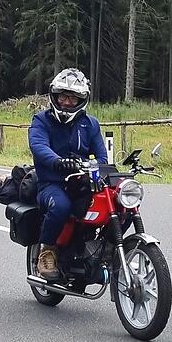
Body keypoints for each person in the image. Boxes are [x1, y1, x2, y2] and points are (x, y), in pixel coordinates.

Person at [28, 68, 108, 280]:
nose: (66, 102)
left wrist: (94, 169)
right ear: (54, 96)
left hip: (82, 183)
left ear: (81, 100)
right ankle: (47, 252)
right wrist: (58, 161)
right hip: (52, 184)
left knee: (116, 203)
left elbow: (101, 156)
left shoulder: (90, 124)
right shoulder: (41, 120)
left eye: (73, 98)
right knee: (61, 206)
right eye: (62, 96)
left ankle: (104, 251)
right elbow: (38, 146)